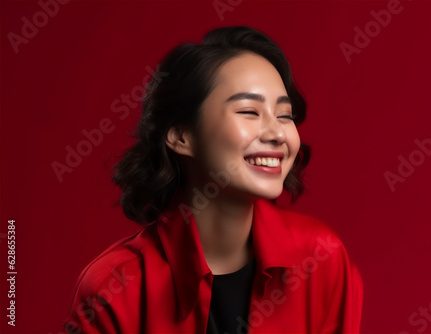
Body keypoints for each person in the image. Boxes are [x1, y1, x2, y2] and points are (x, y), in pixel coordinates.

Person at [64, 26, 363, 334]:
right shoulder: (112, 289)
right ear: (181, 135)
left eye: (285, 115)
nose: (277, 134)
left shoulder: (322, 259)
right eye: (249, 111)